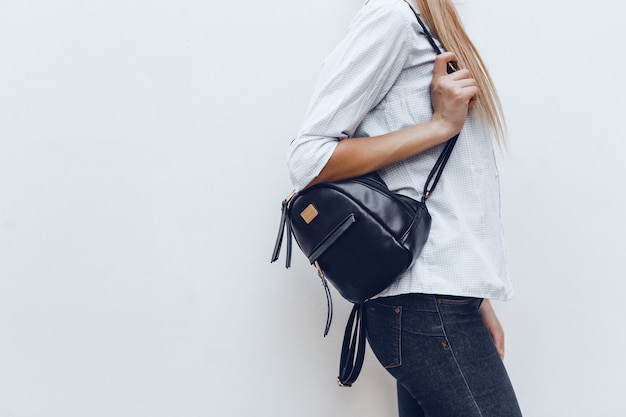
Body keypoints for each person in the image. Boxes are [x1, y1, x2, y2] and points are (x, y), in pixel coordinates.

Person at [286, 0, 522, 415]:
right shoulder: (392, 18)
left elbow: (450, 183)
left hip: (438, 301)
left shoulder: (431, 23)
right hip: (424, 308)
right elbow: (309, 158)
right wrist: (438, 127)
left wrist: (475, 295)